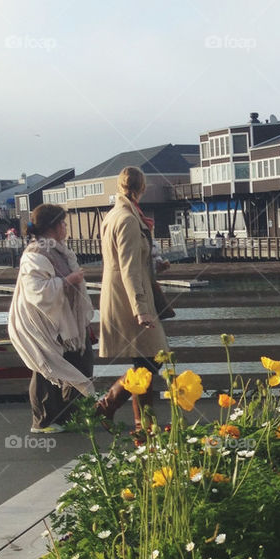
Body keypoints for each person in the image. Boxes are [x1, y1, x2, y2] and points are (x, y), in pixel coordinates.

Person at [8, 204, 95, 434]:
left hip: (63, 321)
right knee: (46, 367)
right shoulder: (36, 253)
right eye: (63, 223)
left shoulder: (58, 250)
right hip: (41, 322)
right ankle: (43, 421)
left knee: (77, 360)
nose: (66, 227)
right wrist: (69, 281)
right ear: (54, 226)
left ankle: (70, 415)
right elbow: (37, 291)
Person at [95, 165, 169, 429]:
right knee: (149, 359)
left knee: (145, 361)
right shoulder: (127, 219)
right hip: (130, 300)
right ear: (142, 188)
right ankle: (112, 405)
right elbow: (127, 267)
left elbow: (128, 260)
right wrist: (140, 309)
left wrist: (152, 263)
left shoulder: (116, 214)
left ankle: (142, 423)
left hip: (125, 295)